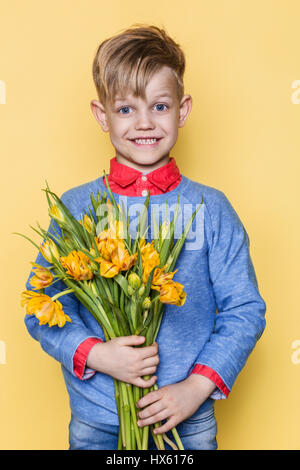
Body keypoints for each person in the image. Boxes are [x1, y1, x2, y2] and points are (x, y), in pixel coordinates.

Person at [24, 24, 266, 450]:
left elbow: (244, 309)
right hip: (97, 421)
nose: (144, 124)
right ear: (101, 115)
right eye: (125, 110)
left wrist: (195, 386)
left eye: (159, 106)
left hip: (186, 424)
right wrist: (98, 355)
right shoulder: (76, 208)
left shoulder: (211, 208)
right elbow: (41, 309)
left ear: (183, 110)